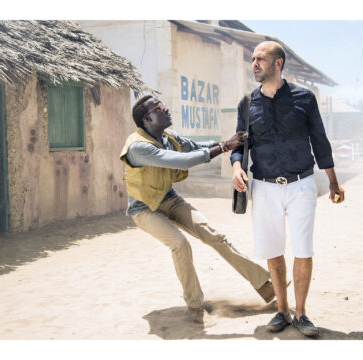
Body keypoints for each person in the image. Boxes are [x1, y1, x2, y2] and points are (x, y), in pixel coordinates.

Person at [120, 95, 276, 324]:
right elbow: (182, 161)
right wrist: (225, 146)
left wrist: (230, 143)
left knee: (214, 235)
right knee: (180, 244)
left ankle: (264, 285)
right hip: (144, 209)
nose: (166, 108)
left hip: (168, 198)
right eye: (160, 107)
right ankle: (194, 304)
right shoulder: (138, 147)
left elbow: (195, 147)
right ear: (148, 118)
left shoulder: (167, 137)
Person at [231, 41, 345, 336]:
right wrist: (236, 166)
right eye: (253, 59)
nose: (254, 63)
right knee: (273, 249)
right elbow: (239, 143)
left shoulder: (304, 98)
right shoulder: (247, 103)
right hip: (265, 186)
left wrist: (332, 180)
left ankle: (302, 313)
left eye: (261, 59)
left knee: (303, 248)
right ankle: (282, 311)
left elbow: (319, 140)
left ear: (278, 63)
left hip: (301, 184)